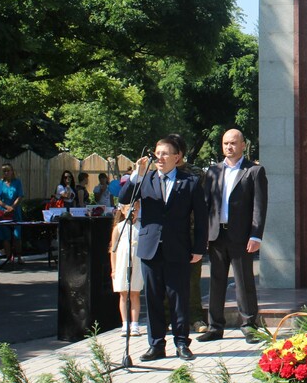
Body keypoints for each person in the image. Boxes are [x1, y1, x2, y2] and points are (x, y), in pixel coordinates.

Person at [119, 136, 207, 362]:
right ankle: (156, 344)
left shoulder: (190, 181)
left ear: (177, 158)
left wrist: (199, 247)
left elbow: (202, 216)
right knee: (154, 298)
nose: (160, 157)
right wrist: (135, 175)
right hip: (150, 248)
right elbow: (123, 198)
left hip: (178, 247)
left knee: (179, 297)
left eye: (165, 153)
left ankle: (181, 343)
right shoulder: (144, 179)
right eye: (157, 153)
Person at [198, 128, 268, 343]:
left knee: (243, 281)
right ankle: (215, 326)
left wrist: (256, 235)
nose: (229, 147)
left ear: (243, 145)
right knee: (216, 281)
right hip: (217, 235)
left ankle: (249, 325)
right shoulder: (213, 172)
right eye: (226, 143)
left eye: (233, 143)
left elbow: (259, 206)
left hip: (241, 236)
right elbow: (206, 205)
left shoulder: (254, 171)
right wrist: (203, 235)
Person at [109, 202, 143, 336]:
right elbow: (113, 249)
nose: (132, 212)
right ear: (123, 210)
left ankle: (135, 324)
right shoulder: (119, 228)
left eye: (135, 209)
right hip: (122, 263)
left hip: (137, 262)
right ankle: (125, 323)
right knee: (123, 294)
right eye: (129, 209)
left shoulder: (141, 227)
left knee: (135, 293)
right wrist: (114, 268)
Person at [0, 163, 25, 264]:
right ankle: (9, 257)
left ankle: (19, 256)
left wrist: (12, 207)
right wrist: (6, 207)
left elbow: (20, 196)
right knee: (5, 236)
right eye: (4, 171)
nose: (6, 173)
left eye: (8, 170)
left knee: (17, 235)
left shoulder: (17, 182)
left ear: (12, 171)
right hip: (3, 211)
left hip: (15, 211)